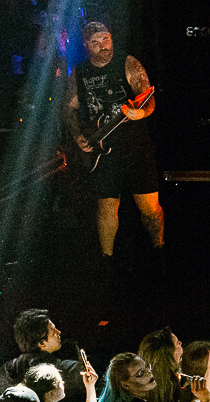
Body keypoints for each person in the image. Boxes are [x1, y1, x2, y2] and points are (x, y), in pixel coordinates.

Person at [61, 19, 163, 262]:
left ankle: (160, 249)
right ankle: (106, 262)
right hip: (102, 151)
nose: (103, 45)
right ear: (86, 46)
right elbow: (68, 108)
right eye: (95, 42)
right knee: (106, 206)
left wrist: (141, 112)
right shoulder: (80, 73)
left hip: (135, 147)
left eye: (106, 39)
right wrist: (77, 136)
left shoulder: (127, 63)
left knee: (149, 209)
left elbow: (147, 96)